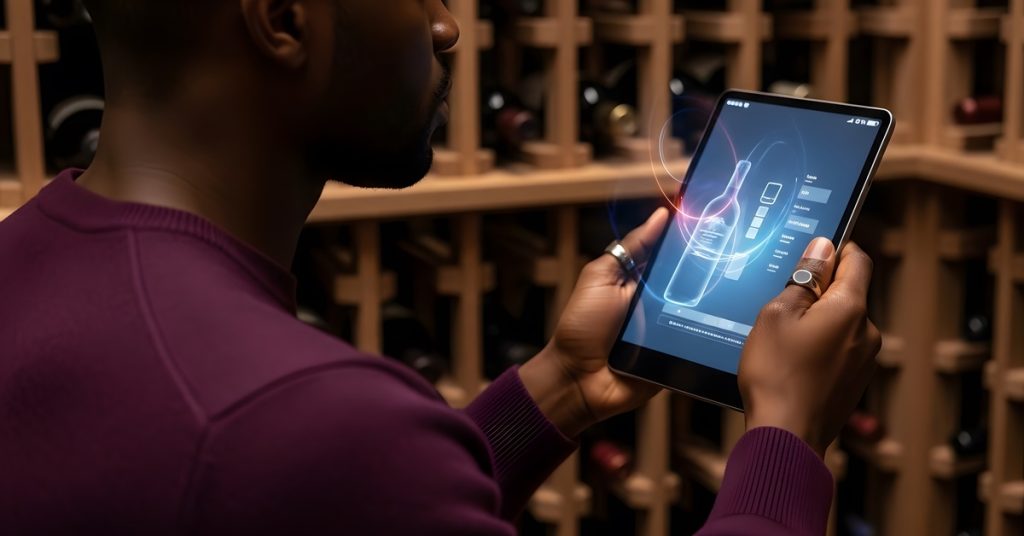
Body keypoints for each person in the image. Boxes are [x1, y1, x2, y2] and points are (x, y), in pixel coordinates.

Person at [0, 1, 881, 534]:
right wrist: (788, 438)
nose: (445, 26)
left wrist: (559, 392)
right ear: (283, 20)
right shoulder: (295, 420)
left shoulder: (23, 260)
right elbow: (310, 463)